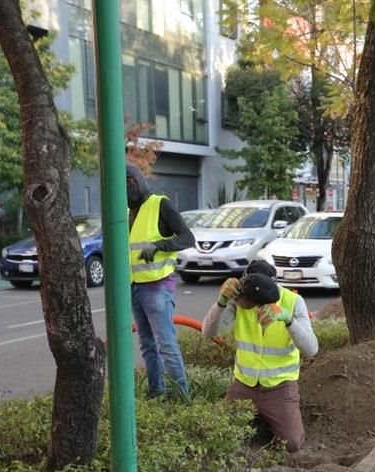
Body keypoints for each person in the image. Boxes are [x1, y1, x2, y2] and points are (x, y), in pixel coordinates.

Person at [201, 260, 319, 452]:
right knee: (219, 434)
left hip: (279, 386)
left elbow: (312, 349)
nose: (251, 304)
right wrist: (222, 302)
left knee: (292, 443)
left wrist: (288, 319)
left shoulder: (293, 301)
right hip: (244, 384)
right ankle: (257, 420)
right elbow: (208, 332)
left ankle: (266, 419)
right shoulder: (238, 299)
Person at [127, 163, 195, 399]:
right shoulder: (128, 212)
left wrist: (159, 246)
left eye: (126, 184)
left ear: (134, 182)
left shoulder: (160, 204)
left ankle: (181, 397)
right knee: (147, 344)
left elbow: (188, 238)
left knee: (166, 344)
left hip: (156, 286)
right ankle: (156, 392)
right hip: (134, 285)